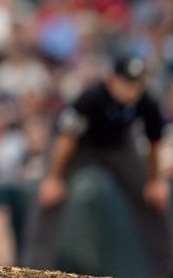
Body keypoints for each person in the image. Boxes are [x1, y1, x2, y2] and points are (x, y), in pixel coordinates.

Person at [23, 56, 173, 276]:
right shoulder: (92, 97)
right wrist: (54, 178)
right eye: (126, 82)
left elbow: (154, 143)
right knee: (50, 197)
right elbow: (66, 140)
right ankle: (32, 270)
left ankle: (166, 270)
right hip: (80, 147)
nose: (132, 89)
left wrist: (154, 180)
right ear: (113, 80)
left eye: (136, 83)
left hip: (119, 147)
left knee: (152, 200)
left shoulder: (146, 101)